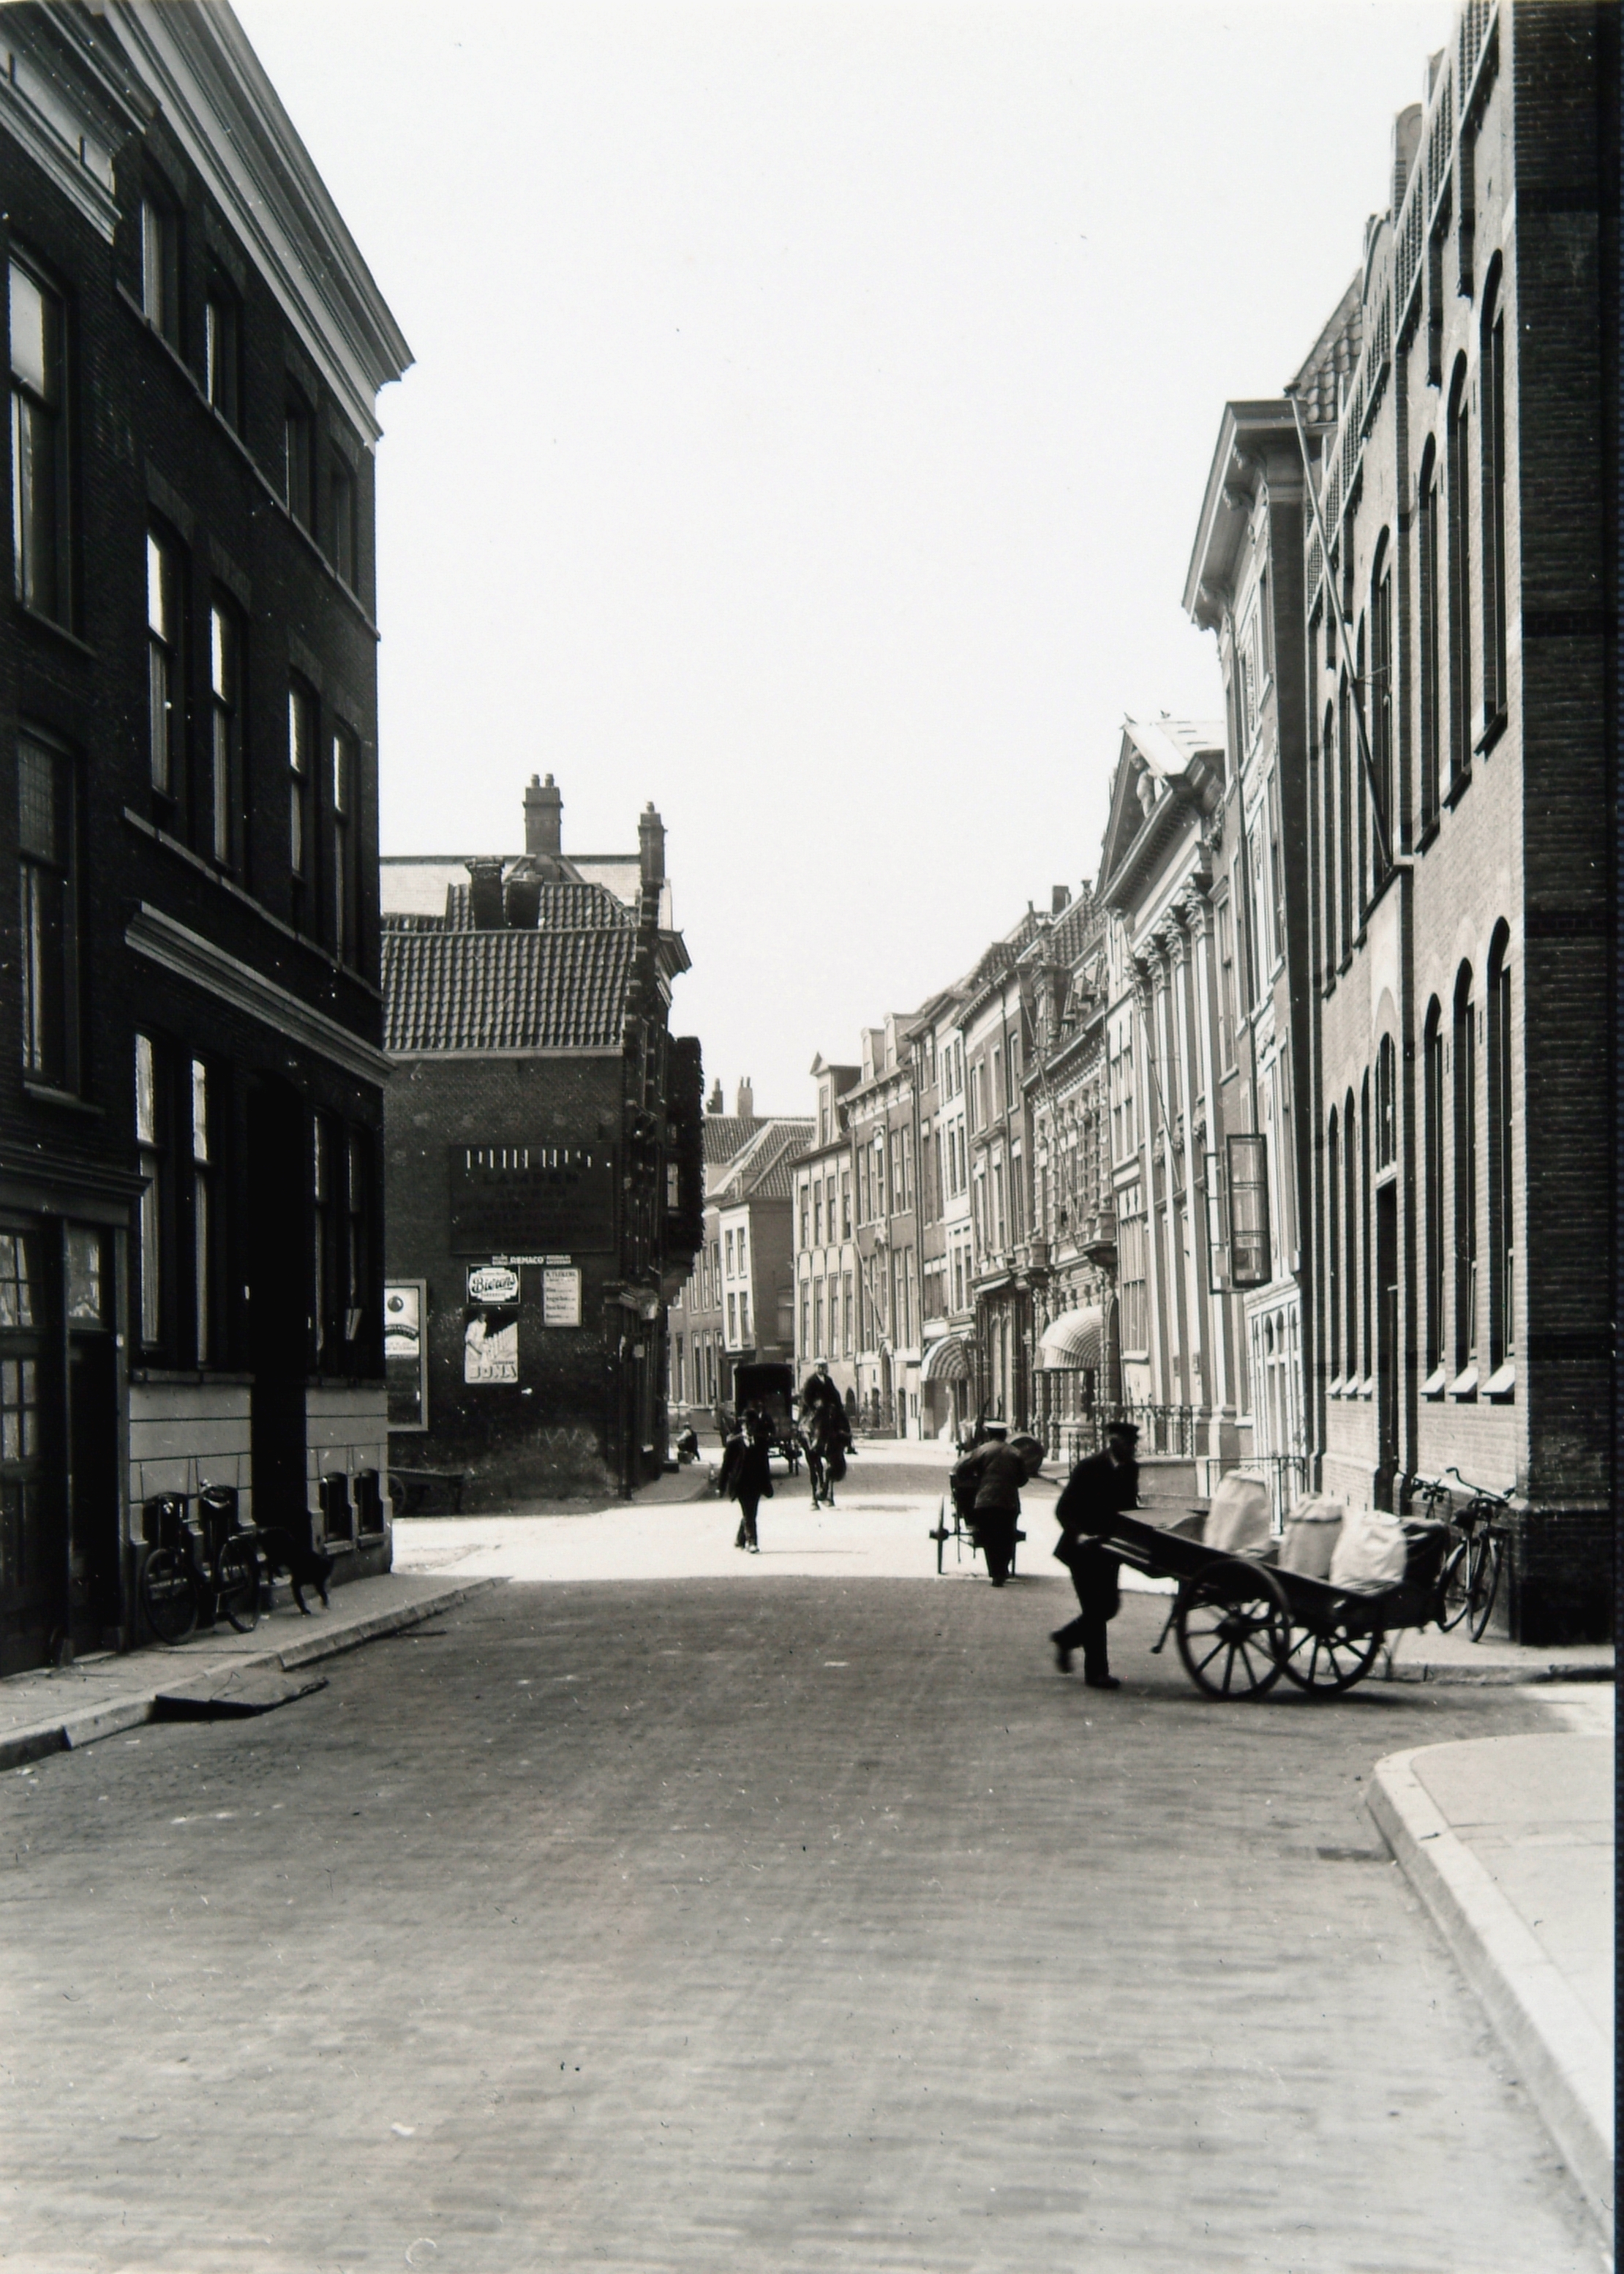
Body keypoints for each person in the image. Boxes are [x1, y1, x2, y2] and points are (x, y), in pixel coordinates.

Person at [1050, 1421, 1140, 1689]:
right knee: (1095, 1610)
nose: (1133, 1449)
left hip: (1109, 1550)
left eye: (1134, 1444)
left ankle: (1066, 1638)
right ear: (1114, 1443)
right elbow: (1063, 1510)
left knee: (1109, 1607)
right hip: (1082, 1550)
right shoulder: (1088, 1467)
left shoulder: (1130, 1469)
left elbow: (1129, 1509)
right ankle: (1097, 1673)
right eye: (1129, 1444)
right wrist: (1080, 1534)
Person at [950, 1430, 1044, 1586]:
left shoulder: (982, 1450)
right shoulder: (1015, 1452)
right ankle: (1002, 1568)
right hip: (1008, 1501)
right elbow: (1023, 1480)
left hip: (985, 1500)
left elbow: (962, 1469)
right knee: (1007, 1535)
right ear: (1005, 1435)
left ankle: (995, 1572)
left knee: (989, 1536)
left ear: (989, 1435)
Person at [723, 1408, 774, 1553]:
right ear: (743, 1426)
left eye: (752, 1424)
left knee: (751, 1513)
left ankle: (740, 1539)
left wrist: (767, 1483)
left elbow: (765, 1464)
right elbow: (726, 1466)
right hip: (741, 1484)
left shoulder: (761, 1442)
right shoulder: (734, 1443)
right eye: (747, 1424)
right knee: (749, 1512)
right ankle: (752, 1542)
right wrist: (721, 1486)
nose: (750, 1427)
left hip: (756, 1484)